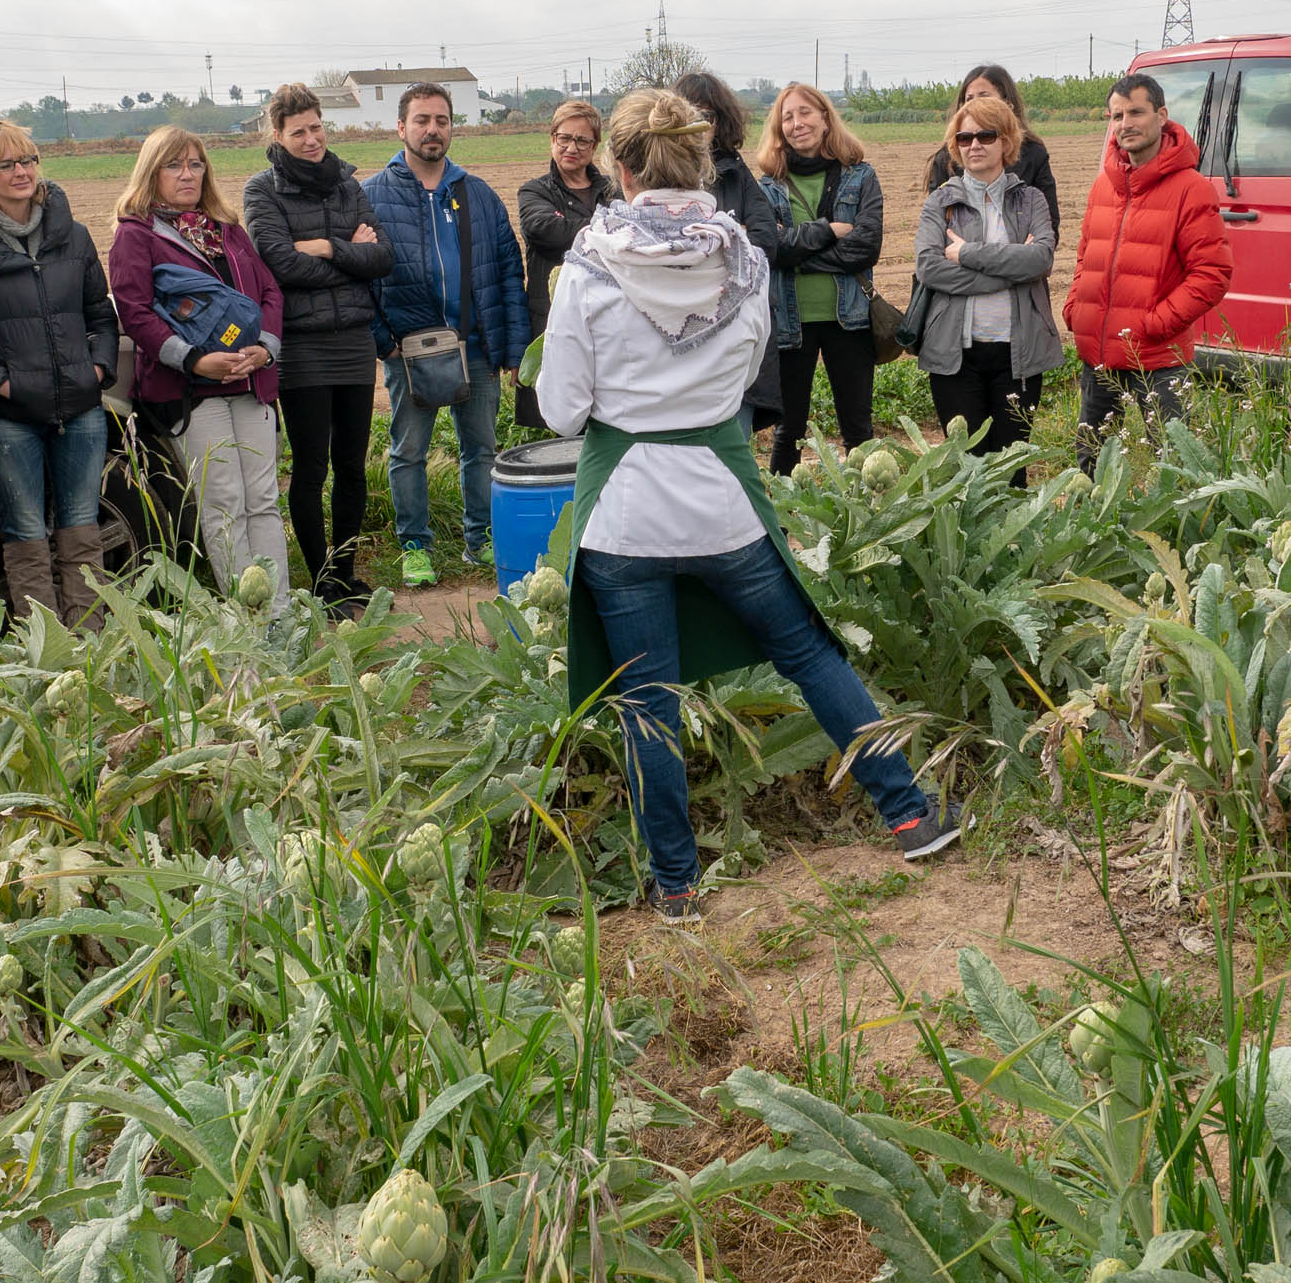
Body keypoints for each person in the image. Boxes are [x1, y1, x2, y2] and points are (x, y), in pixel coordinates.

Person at [538, 88, 964, 920]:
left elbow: (561, 411)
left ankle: (676, 885)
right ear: (703, 163)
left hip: (624, 512)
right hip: (722, 500)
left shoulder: (588, 267)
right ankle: (912, 815)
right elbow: (744, 375)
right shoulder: (742, 259)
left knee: (647, 699)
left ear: (621, 168)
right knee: (808, 651)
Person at [0, 118, 118, 623]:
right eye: (6, 164)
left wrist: (98, 369)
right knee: (26, 536)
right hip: (6, 419)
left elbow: (100, 314)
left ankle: (93, 647)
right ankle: (49, 652)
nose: (21, 172)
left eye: (28, 160)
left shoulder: (73, 236)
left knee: (82, 532)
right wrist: (0, 383)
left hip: (80, 410)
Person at [107, 127, 288, 611]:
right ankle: (248, 618)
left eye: (195, 164)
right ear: (151, 172)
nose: (187, 174)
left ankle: (280, 614)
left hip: (251, 382)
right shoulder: (136, 235)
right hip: (192, 393)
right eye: (174, 165)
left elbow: (270, 292)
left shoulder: (226, 230)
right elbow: (135, 313)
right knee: (224, 504)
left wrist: (265, 349)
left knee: (263, 501)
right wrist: (194, 360)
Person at [363, 82, 527, 587]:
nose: (432, 130)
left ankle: (482, 538)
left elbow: (508, 271)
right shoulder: (371, 196)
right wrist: (383, 341)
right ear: (401, 127)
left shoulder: (478, 194)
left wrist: (512, 347)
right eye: (422, 120)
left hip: (475, 346)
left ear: (452, 127)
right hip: (410, 351)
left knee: (481, 449)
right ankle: (415, 547)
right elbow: (357, 278)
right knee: (408, 452)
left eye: (442, 120)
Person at [243, 83, 390, 612]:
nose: (312, 139)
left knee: (352, 466)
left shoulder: (348, 185)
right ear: (277, 134)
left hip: (354, 342)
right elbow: (279, 264)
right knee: (310, 468)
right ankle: (320, 579)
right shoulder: (262, 191)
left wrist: (327, 246)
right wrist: (351, 255)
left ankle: (346, 574)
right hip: (302, 348)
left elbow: (383, 258)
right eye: (298, 132)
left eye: (317, 127)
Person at [1064, 72, 1232, 464]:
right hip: (1098, 354)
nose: (1126, 124)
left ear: (1161, 115)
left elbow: (1212, 274)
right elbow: (1085, 255)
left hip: (1157, 357)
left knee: (1174, 465)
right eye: (1117, 115)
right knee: (1092, 463)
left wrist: (1153, 324)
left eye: (1136, 112)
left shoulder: (1191, 188)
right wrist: (1076, 308)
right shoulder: (1103, 186)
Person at [910, 94, 1061, 483]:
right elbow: (929, 268)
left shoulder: (1031, 200)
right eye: (964, 138)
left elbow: (1041, 259)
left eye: (985, 135)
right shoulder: (940, 203)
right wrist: (1011, 269)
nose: (974, 144)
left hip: (1018, 356)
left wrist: (967, 253)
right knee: (967, 470)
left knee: (1011, 468)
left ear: (1006, 142)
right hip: (955, 358)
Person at [752, 83, 883, 475]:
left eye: (805, 112)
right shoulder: (768, 186)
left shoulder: (861, 177)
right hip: (790, 324)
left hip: (851, 320)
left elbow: (866, 247)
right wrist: (829, 231)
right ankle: (782, 508)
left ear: (826, 119)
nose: (797, 123)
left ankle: (865, 506)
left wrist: (799, 256)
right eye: (787, 117)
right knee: (788, 430)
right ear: (779, 129)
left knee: (858, 430)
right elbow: (773, 249)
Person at [673, 71, 789, 429]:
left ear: (719, 123)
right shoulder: (656, 174)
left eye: (705, 116)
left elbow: (765, 241)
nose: (697, 125)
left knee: (733, 445)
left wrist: (702, 243)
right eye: (687, 115)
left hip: (734, 333)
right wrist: (732, 235)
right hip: (678, 333)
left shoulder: (735, 172)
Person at [513, 99, 616, 430]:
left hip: (610, 321)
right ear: (552, 139)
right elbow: (545, 230)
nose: (572, 147)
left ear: (595, 145)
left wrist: (576, 227)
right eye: (564, 138)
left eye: (582, 140)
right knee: (562, 424)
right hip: (554, 321)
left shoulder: (613, 189)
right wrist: (607, 228)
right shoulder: (534, 192)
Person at [922, 64, 1061, 231]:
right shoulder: (946, 160)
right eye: (969, 99)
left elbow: (1049, 226)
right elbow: (935, 232)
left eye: (984, 97)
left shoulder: (1033, 154)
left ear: (1007, 103)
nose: (976, 105)